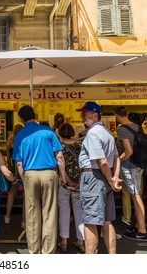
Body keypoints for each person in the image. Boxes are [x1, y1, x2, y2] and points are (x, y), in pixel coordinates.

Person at [12, 105, 66, 254]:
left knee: (32, 215)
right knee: (49, 214)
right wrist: (62, 175)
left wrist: (24, 179)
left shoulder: (20, 135)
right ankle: (47, 253)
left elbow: (19, 163)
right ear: (35, 115)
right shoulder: (48, 131)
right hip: (49, 174)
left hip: (30, 174)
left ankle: (34, 252)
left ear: (21, 119)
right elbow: (59, 156)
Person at [76, 101, 122, 254]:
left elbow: (101, 161)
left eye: (85, 114)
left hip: (93, 178)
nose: (82, 116)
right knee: (107, 221)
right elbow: (116, 158)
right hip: (104, 178)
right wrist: (114, 177)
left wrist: (111, 179)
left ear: (94, 115)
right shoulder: (108, 132)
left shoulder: (93, 133)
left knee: (90, 221)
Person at [114, 106, 147, 240]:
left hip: (130, 166)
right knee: (137, 195)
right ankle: (140, 225)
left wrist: (118, 160)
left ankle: (142, 231)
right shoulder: (138, 127)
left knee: (136, 197)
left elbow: (129, 151)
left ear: (116, 115)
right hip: (140, 165)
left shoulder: (122, 129)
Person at [57, 123, 85, 253]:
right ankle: (80, 241)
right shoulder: (79, 146)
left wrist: (67, 180)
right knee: (79, 211)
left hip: (64, 183)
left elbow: (60, 164)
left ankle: (64, 242)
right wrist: (78, 181)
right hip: (79, 183)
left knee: (64, 211)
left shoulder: (59, 147)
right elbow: (83, 164)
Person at [4, 123, 24, 226]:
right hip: (22, 167)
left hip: (13, 169)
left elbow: (8, 159)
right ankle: (24, 221)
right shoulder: (23, 141)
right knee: (26, 194)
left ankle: (7, 216)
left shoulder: (10, 142)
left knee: (12, 191)